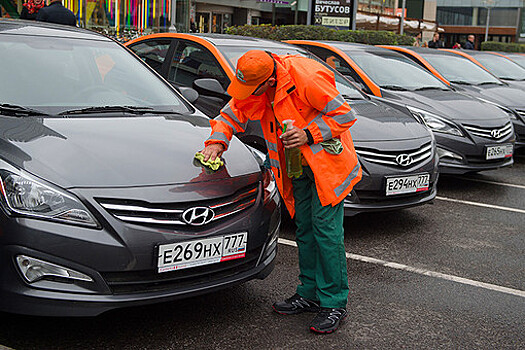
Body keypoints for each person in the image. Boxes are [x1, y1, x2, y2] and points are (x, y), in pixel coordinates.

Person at [200, 50, 361, 334]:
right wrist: (216, 142)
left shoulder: (306, 78)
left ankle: (334, 303)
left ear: (270, 80)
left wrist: (309, 134)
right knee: (306, 230)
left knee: (326, 232)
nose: (248, 94)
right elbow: (231, 113)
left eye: (253, 90)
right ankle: (309, 294)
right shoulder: (257, 82)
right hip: (295, 166)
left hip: (325, 167)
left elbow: (345, 114)